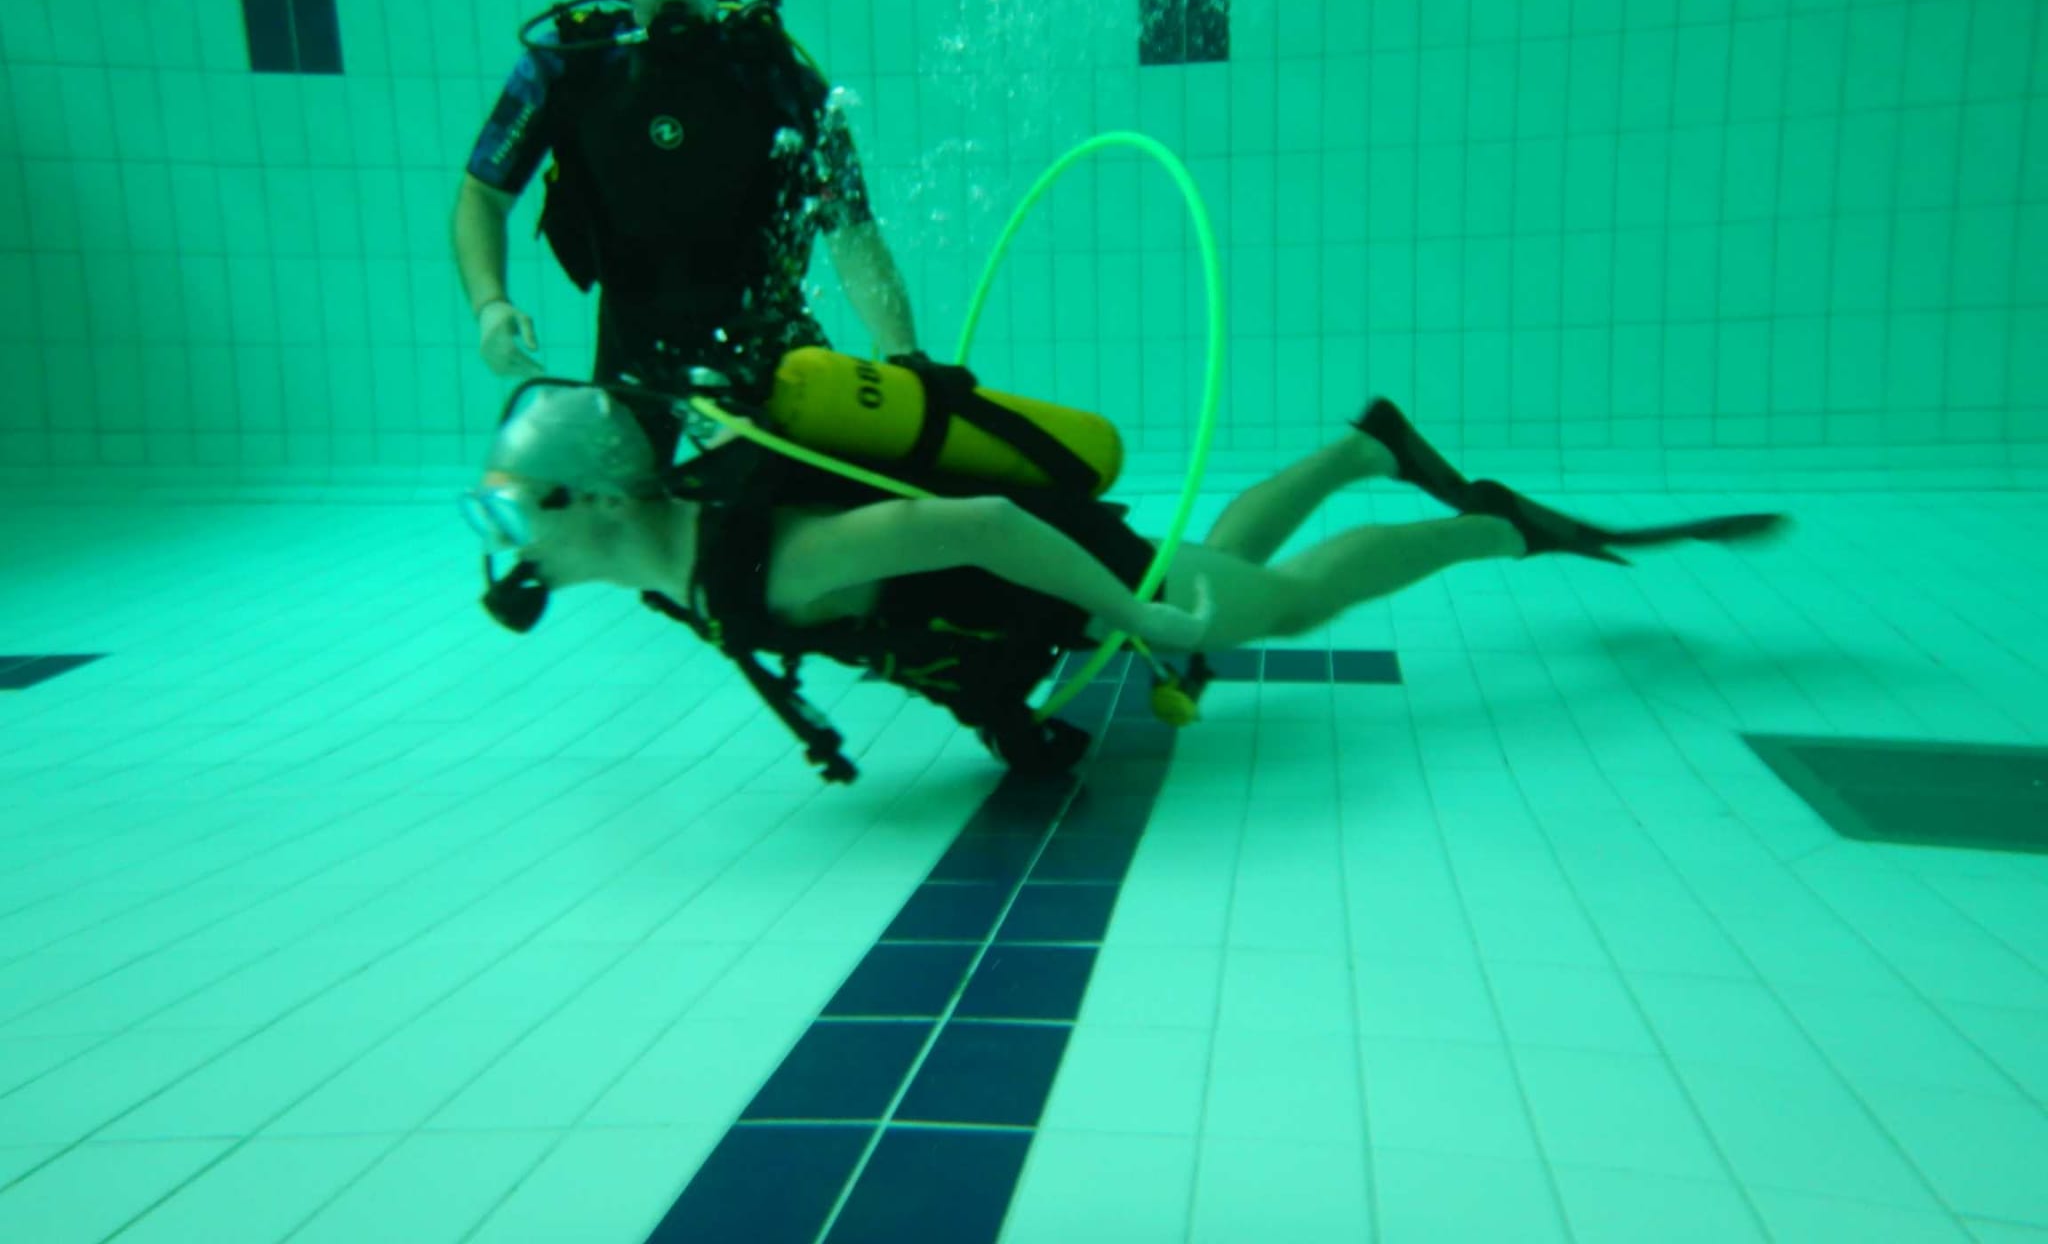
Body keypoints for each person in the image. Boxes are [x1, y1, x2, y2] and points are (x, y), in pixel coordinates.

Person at [460, 376, 1787, 778]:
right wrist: (1004, 719)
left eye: (515, 508)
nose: (508, 540)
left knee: (1276, 604)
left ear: (590, 501)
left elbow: (978, 524)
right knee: (1224, 562)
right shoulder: (675, 568)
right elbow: (889, 642)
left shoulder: (763, 559)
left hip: (1059, 570)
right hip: (1043, 599)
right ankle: (1363, 439)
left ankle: (1499, 526)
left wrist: (1134, 615)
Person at [451, 0, 920, 459]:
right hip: (633, 346)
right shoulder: (569, 67)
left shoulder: (777, 75)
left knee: (779, 520)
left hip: (766, 339)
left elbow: (853, 233)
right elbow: (481, 197)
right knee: (619, 521)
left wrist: (903, 355)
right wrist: (490, 305)